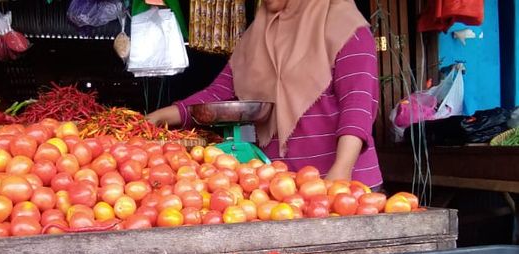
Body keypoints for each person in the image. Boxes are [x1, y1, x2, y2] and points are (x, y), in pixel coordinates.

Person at [147, 0, 383, 190]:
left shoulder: (348, 28)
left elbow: (358, 106)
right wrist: (161, 116)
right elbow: (220, 92)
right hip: (279, 186)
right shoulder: (258, 33)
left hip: (343, 184)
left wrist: (341, 171)